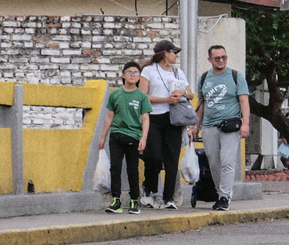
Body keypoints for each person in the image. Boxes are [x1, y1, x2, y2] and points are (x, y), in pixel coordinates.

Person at [196, 43, 250, 212]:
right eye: (217, 58)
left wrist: (246, 123)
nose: (221, 60)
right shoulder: (204, 78)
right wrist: (195, 126)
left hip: (230, 126)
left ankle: (225, 197)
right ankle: (220, 194)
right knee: (214, 162)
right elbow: (201, 104)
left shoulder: (236, 76)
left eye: (224, 57)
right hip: (209, 126)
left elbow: (243, 101)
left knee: (227, 161)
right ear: (210, 59)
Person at [139, 39, 189, 209]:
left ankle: (168, 197)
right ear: (165, 53)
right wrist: (165, 99)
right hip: (154, 117)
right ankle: (149, 189)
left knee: (172, 159)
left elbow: (190, 93)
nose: (176, 55)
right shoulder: (148, 71)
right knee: (154, 156)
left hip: (173, 118)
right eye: (174, 52)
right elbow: (143, 95)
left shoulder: (177, 73)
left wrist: (182, 92)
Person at [96, 62, 151, 214]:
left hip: (134, 136)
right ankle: (116, 201)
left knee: (132, 169)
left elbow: (145, 118)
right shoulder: (115, 94)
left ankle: (134, 201)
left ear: (139, 77)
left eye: (136, 72)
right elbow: (109, 117)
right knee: (115, 168)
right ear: (123, 75)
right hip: (116, 136)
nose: (133, 75)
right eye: (129, 72)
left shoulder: (141, 96)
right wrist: (103, 137)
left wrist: (144, 138)